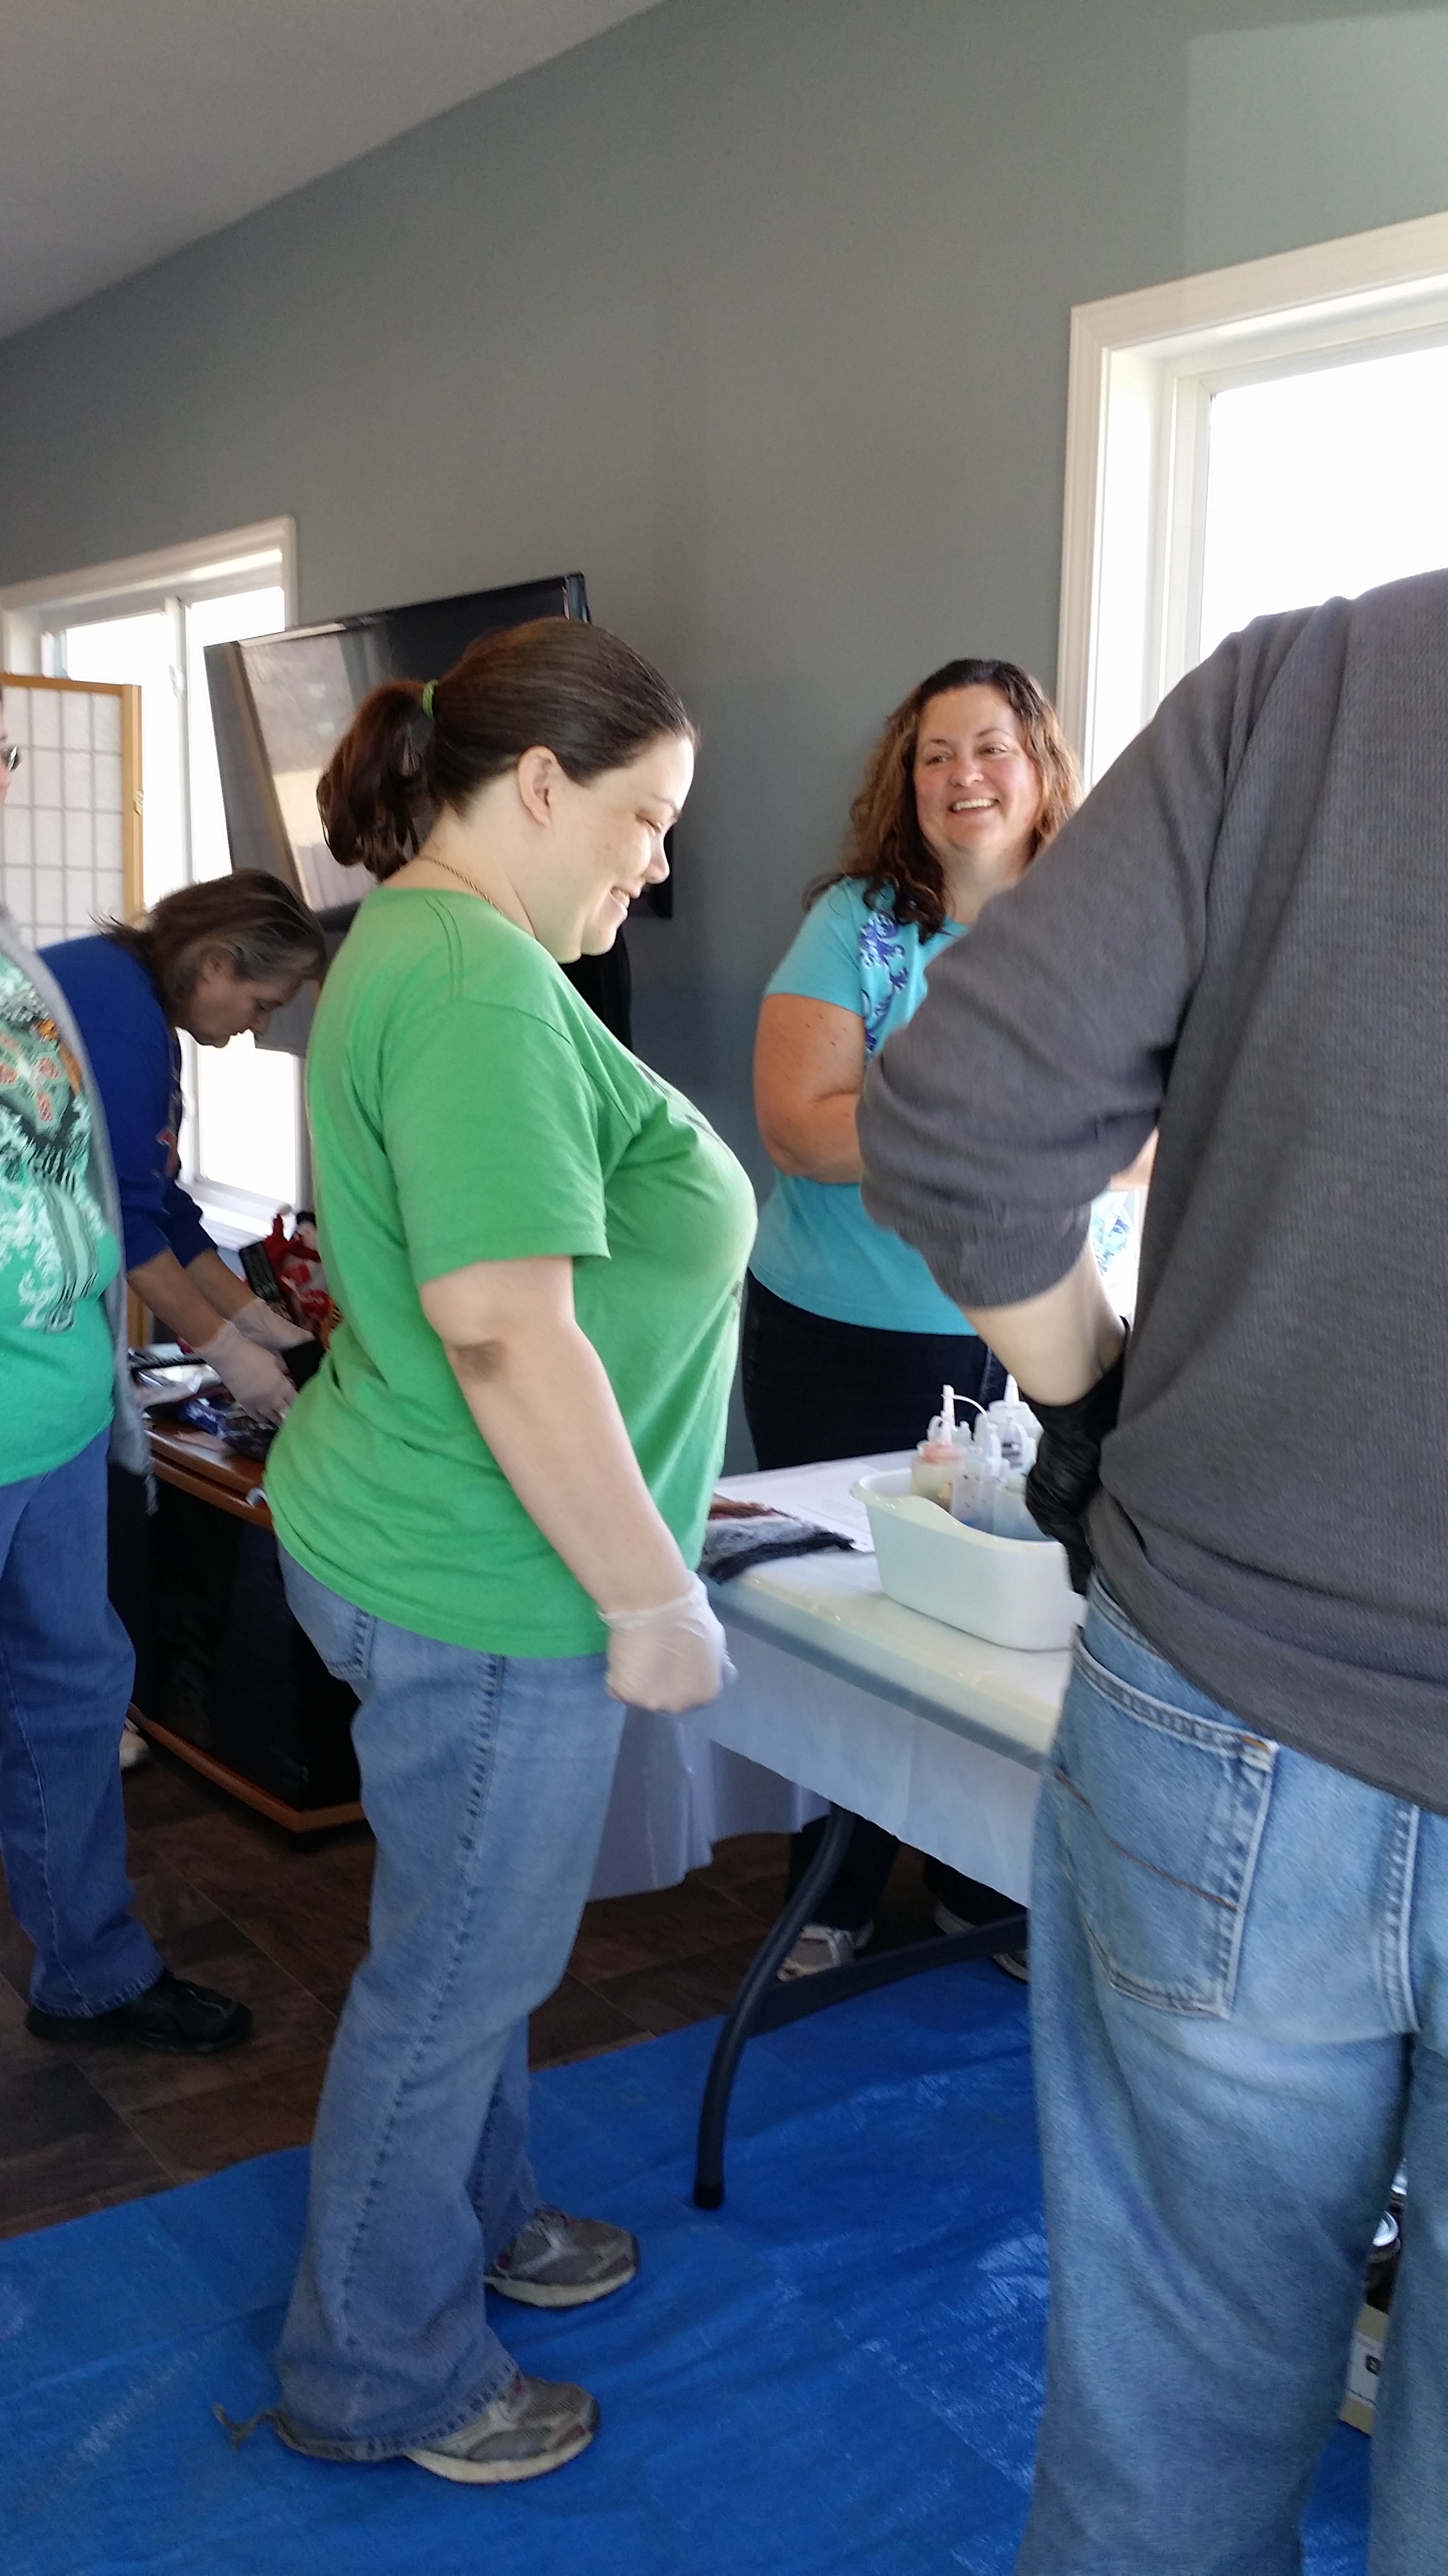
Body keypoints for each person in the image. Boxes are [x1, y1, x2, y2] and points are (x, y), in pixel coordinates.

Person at [858, 572, 1448, 2571]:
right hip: (1227, 1676)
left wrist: (1090, 1399)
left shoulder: (1321, 681)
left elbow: (955, 1123)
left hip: (1226, 1699)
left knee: (1165, 2448)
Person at [258, 619, 756, 2487]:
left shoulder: (430, 940)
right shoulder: (471, 976)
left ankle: (475, 2213)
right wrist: (648, 1589)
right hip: (484, 1583)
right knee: (453, 1975)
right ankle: (375, 2370)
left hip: (428, 1541)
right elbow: (499, 1327)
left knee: (466, 1941)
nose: (655, 861)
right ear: (539, 783)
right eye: (643, 816)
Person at [746, 659, 1081, 1976]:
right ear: (907, 780)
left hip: (1043, 1336)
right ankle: (829, 1891)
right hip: (843, 1336)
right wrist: (1016, 1128)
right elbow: (800, 1130)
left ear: (1039, 766)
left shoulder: (1100, 921)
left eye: (989, 747)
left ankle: (974, 1883)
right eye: (934, 754)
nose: (962, 776)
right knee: (853, 1616)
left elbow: (1160, 1130)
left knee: (1001, 1620)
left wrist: (911, 1115)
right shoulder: (861, 925)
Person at [0, 732, 252, 2058]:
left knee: (72, 1693)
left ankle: (91, 1972)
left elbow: (89, 1176)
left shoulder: (20, 962)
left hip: (52, 1411)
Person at [44, 873, 328, 1427]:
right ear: (216, 964)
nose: (260, 1025)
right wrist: (226, 1350)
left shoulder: (148, 1017)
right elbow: (123, 1220)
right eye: (262, 1004)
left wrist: (259, 1322)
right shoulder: (120, 1013)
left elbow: (162, 1203)